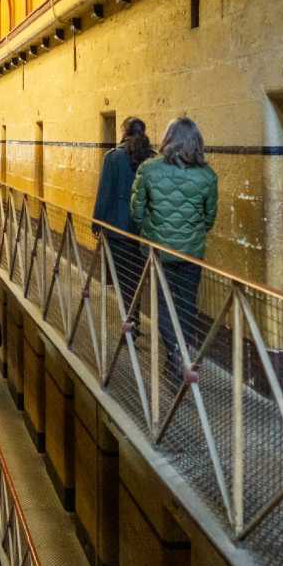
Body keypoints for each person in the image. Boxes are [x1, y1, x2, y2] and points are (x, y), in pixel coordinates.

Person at [129, 117, 218, 375]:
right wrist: (193, 232)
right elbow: (209, 216)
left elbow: (136, 210)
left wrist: (150, 227)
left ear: (168, 138)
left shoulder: (149, 169)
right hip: (191, 251)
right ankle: (183, 351)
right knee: (187, 303)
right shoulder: (207, 176)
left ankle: (174, 352)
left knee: (163, 303)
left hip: (158, 251)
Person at [94, 117, 154, 319]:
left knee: (122, 278)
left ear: (124, 131)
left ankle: (129, 320)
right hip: (142, 230)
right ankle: (134, 316)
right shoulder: (152, 158)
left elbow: (105, 192)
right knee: (137, 277)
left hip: (117, 229)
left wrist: (97, 222)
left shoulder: (113, 157)